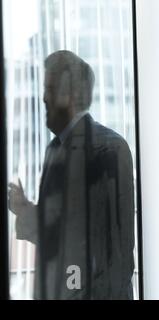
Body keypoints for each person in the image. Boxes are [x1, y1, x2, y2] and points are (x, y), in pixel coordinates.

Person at [7, 50, 135, 300]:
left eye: (50, 89)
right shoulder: (55, 149)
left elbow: (114, 251)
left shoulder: (108, 148)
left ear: (73, 95)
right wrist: (25, 210)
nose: (43, 98)